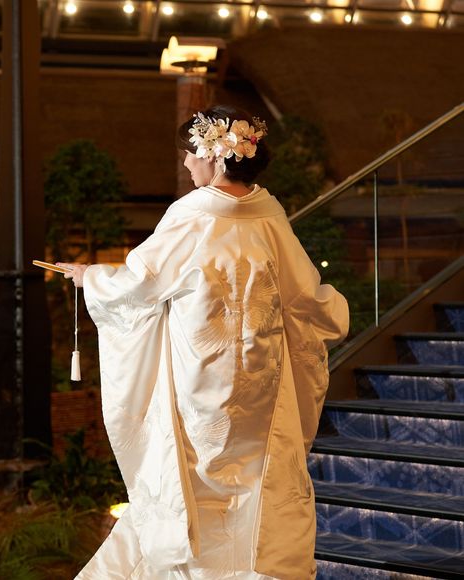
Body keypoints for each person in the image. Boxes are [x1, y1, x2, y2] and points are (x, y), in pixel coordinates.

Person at [59, 105, 349, 580]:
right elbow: (309, 301)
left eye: (189, 154)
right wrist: (331, 310)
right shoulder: (269, 216)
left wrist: (90, 277)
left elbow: (140, 283)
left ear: (214, 157)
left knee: (195, 484)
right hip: (261, 386)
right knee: (255, 484)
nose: (186, 163)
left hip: (199, 383)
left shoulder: (193, 216)